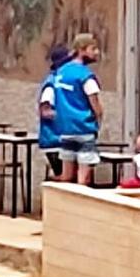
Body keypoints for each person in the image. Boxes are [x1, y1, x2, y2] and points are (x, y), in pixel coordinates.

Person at [53, 33, 103, 186]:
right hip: (84, 128)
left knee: (66, 176)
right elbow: (95, 103)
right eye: (93, 48)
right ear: (81, 50)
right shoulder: (85, 75)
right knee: (83, 178)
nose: (97, 53)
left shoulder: (60, 73)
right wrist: (98, 119)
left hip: (65, 129)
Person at [37, 44, 70, 179]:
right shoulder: (51, 85)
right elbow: (44, 112)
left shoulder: (63, 83)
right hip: (54, 141)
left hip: (63, 140)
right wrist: (65, 116)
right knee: (63, 177)